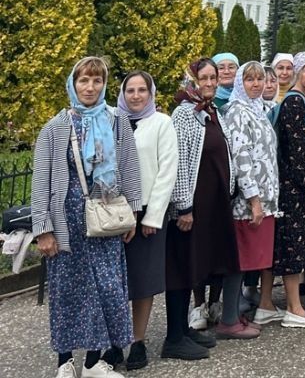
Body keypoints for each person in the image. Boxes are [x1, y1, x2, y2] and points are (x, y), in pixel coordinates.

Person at [34, 57, 142, 378]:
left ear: (105, 84)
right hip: (67, 222)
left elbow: (129, 166)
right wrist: (43, 229)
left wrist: (132, 212)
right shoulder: (55, 127)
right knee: (68, 290)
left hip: (105, 218)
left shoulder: (116, 121)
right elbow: (41, 179)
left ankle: (94, 362)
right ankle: (65, 361)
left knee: (105, 289)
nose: (90, 87)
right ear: (73, 83)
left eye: (97, 81)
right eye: (84, 80)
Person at [165, 59, 239, 359]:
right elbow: (179, 161)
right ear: (192, 81)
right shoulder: (184, 113)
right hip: (191, 207)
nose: (209, 83)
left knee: (198, 267)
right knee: (183, 269)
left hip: (213, 205)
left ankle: (185, 331)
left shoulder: (211, 111)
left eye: (213, 78)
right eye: (203, 78)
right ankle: (173, 337)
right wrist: (183, 206)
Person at [117, 72, 178, 371]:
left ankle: (137, 341)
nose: (136, 95)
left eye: (142, 90)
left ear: (151, 93)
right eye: (130, 90)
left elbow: (167, 171)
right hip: (114, 214)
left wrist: (152, 215)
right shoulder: (112, 122)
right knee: (114, 282)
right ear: (122, 92)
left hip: (147, 214)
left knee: (142, 281)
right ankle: (114, 342)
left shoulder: (161, 123)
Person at [266, 51, 305, 329]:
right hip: (294, 187)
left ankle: (293, 305)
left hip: (299, 185)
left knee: (298, 243)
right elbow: (297, 147)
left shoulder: (302, 101)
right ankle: (294, 308)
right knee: (293, 244)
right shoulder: (293, 102)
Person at [221, 62, 279, 340]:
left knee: (248, 261)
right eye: (250, 79)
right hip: (246, 203)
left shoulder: (257, 109)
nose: (256, 84)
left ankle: (236, 313)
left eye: (260, 79)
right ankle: (228, 319)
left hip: (264, 198)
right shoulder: (236, 111)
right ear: (239, 83)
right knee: (239, 261)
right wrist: (254, 199)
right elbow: (241, 156)